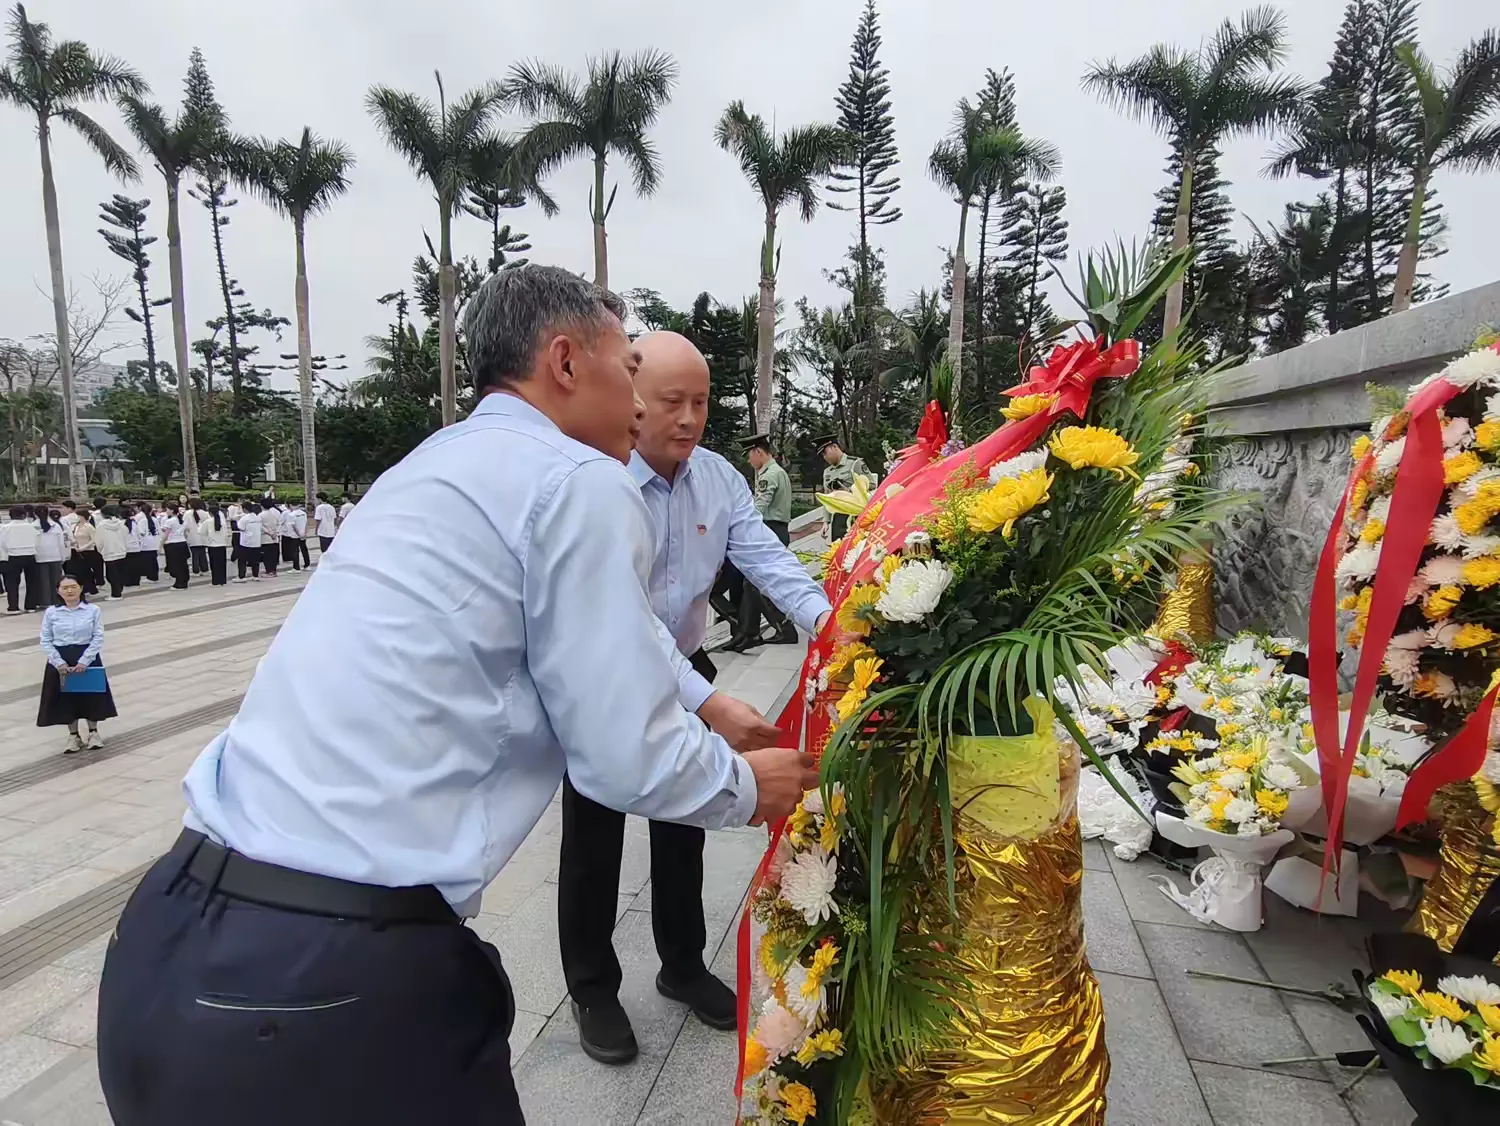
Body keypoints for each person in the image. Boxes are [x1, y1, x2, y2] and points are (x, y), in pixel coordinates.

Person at [95, 265, 816, 1126]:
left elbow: (577, 615)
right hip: (323, 987)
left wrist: (701, 702)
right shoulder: (581, 480)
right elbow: (626, 752)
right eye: (628, 367)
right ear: (563, 361)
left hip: (169, 937)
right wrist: (748, 789)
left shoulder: (438, 463)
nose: (641, 400)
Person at [559, 332, 833, 1066]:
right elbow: (622, 615)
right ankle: (592, 987)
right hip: (605, 671)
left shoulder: (718, 477)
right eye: (671, 401)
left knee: (687, 818)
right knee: (595, 833)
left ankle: (680, 964)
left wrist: (831, 623)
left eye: (702, 402)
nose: (688, 418)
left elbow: (765, 558)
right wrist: (706, 704)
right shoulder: (599, 483)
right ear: (631, 397)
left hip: (686, 657)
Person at [727, 435, 799, 651]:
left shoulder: (771, 475)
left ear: (758, 451)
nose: (749, 461)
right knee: (751, 584)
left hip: (771, 529)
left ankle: (784, 628)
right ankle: (748, 633)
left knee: (757, 582)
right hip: (774, 528)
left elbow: (758, 507)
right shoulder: (773, 473)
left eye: (750, 455)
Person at [37, 575, 117, 753]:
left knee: (91, 697)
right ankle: (73, 736)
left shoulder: (92, 610)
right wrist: (58, 662)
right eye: (65, 588)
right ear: (58, 591)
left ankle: (93, 733)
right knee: (67, 699)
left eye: (73, 587)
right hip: (61, 659)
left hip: (87, 656)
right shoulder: (52, 612)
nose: (69, 591)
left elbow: (98, 637)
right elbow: (45, 639)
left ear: (81, 588)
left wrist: (84, 661)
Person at [819, 436, 870, 542]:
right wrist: (826, 521)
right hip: (838, 515)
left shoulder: (855, 463)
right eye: (822, 455)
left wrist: (849, 491)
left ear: (835, 447)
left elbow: (872, 486)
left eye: (825, 452)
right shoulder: (827, 472)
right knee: (838, 548)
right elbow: (827, 498)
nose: (824, 457)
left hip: (856, 512)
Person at [1, 505, 40, 614]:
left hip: (13, 555)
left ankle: (13, 607)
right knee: (32, 582)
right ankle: (31, 605)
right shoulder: (31, 526)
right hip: (30, 554)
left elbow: (2, 543)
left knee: (12, 583)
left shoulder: (5, 528)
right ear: (24, 515)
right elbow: (37, 540)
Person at [34, 507, 68, 607]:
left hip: (39, 557)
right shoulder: (56, 526)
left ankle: (45, 602)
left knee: (43, 581)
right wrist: (63, 557)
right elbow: (61, 543)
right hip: (55, 556)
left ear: (35, 514)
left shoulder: (32, 526)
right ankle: (57, 600)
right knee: (56, 581)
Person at [96, 506, 130, 600]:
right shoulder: (121, 524)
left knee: (111, 574)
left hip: (109, 552)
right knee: (120, 573)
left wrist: (101, 550)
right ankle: (119, 591)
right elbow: (126, 536)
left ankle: (116, 594)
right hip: (121, 551)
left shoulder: (101, 526)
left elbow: (99, 541)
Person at [67, 504, 101, 596]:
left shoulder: (89, 526)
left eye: (79, 516)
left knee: (87, 570)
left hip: (88, 551)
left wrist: (84, 547)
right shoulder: (76, 526)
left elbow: (94, 539)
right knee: (79, 570)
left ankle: (91, 588)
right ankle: (84, 587)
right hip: (77, 550)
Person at [160, 503, 191, 590]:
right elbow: (186, 532)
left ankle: (179, 583)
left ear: (172, 510)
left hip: (173, 544)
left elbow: (166, 535)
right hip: (182, 543)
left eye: (168, 510)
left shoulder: (170, 521)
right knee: (183, 564)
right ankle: (184, 582)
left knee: (176, 565)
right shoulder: (181, 520)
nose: (167, 512)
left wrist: (161, 544)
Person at [202, 503, 230, 586]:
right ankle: (222, 580)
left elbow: (201, 532)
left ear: (210, 513)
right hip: (222, 545)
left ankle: (216, 580)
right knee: (222, 563)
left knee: (214, 564)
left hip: (212, 545)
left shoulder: (208, 521)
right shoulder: (223, 522)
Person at [235, 502, 263, 582]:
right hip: (256, 542)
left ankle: (242, 577)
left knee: (242, 560)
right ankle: (255, 575)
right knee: (255, 560)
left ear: (244, 509)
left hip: (246, 542)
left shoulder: (244, 518)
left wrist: (237, 521)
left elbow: (241, 528)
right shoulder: (257, 517)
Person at [133, 504, 160, 583]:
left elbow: (141, 532)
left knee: (147, 561)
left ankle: (150, 577)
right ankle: (154, 576)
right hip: (154, 542)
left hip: (145, 543)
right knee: (153, 560)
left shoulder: (142, 520)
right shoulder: (154, 519)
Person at [259, 499, 281, 577]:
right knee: (273, 555)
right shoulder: (275, 513)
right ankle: (273, 570)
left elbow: (261, 526)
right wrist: (276, 533)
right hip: (275, 537)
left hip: (266, 537)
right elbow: (279, 524)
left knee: (267, 555)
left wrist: (269, 533)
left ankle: (269, 571)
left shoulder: (261, 515)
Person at [186, 501, 208, 575]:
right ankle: (205, 569)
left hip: (192, 536)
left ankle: (196, 570)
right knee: (203, 553)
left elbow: (185, 525)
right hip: (203, 536)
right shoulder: (205, 513)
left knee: (194, 554)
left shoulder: (188, 513)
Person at [280, 501, 302, 572]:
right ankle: (292, 559)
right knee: (293, 547)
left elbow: (281, 521)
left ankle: (287, 558)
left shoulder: (285, 513)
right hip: (296, 532)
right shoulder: (301, 513)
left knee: (286, 545)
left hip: (287, 531)